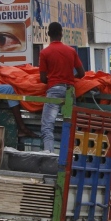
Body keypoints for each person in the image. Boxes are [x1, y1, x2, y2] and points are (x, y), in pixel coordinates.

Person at [39, 22, 85, 152]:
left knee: (48, 126)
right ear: (61, 34)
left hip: (54, 91)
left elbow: (42, 78)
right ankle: (71, 157)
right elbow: (82, 73)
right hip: (70, 91)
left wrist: (54, 78)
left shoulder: (44, 53)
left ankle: (50, 156)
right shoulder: (71, 51)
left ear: (48, 34)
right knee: (71, 126)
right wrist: (69, 78)